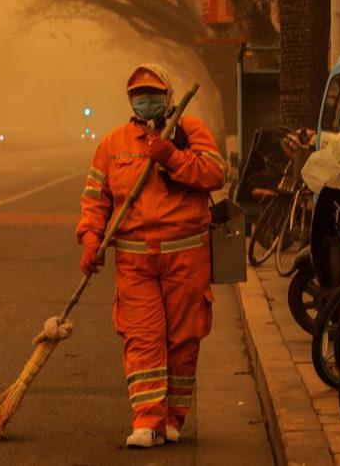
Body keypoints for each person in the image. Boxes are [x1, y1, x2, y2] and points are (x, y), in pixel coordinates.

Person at [75, 64, 226, 449]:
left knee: (182, 339)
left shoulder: (190, 132)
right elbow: (96, 199)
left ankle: (173, 419)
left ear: (168, 96)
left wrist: (172, 157)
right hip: (135, 262)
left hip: (186, 257)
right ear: (130, 100)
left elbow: (214, 174)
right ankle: (146, 420)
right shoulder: (112, 144)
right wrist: (91, 239)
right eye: (139, 94)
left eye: (153, 93)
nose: (146, 100)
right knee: (142, 338)